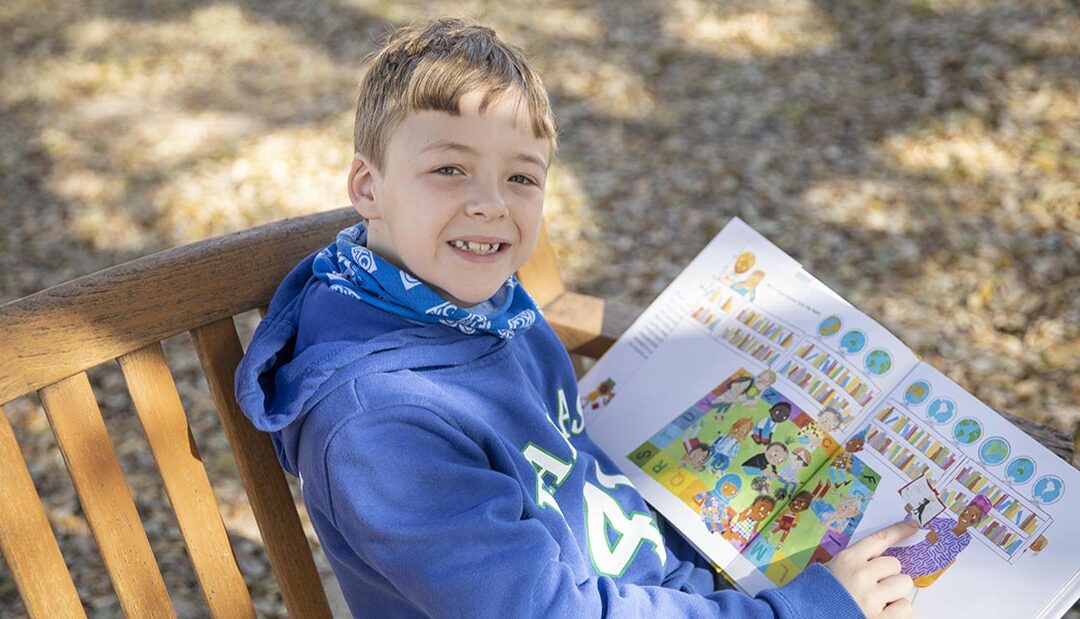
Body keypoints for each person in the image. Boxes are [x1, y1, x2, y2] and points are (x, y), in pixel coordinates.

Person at [234, 17, 916, 618]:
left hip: (683, 570)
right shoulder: (378, 424)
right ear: (367, 187)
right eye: (449, 169)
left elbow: (571, 468)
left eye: (522, 178)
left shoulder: (488, 310)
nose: (489, 203)